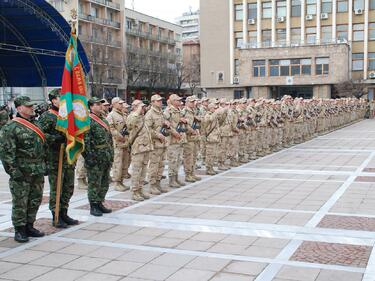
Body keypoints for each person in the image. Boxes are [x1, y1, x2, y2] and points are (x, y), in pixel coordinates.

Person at [0, 96, 46, 242]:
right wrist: (14, 172)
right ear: (19, 108)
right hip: (22, 171)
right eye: (28, 106)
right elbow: (7, 153)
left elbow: (42, 148)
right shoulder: (10, 127)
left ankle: (29, 225)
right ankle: (19, 229)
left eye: (32, 105)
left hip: (37, 169)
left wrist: (44, 165)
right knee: (21, 201)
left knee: (35, 199)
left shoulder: (36, 124)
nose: (32, 108)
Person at [38, 89, 78, 228]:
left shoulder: (68, 115)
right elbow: (40, 134)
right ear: (53, 100)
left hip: (67, 157)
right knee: (57, 188)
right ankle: (56, 215)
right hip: (55, 158)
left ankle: (64, 212)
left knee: (68, 187)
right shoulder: (47, 116)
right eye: (60, 98)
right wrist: (55, 139)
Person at [83, 97, 114, 216]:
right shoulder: (88, 120)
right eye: (97, 104)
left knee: (104, 182)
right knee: (94, 182)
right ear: (91, 107)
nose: (101, 106)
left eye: (101, 104)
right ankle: (93, 205)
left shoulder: (104, 120)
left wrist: (111, 154)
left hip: (105, 156)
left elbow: (109, 140)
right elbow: (86, 141)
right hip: (95, 157)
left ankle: (100, 202)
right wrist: (89, 158)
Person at [127, 100, 153, 201]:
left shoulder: (143, 118)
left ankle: (140, 189)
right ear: (134, 107)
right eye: (141, 107)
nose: (143, 109)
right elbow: (130, 125)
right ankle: (134, 191)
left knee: (143, 171)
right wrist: (137, 111)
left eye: (143, 107)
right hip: (138, 148)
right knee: (136, 171)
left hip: (146, 147)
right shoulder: (132, 116)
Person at [145, 94, 169, 195]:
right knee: (154, 165)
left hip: (163, 143)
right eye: (158, 101)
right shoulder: (150, 114)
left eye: (160, 100)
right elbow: (147, 129)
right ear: (153, 102)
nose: (160, 102)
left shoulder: (161, 113)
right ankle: (152, 185)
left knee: (161, 165)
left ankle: (158, 183)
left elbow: (162, 124)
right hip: (155, 144)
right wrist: (157, 135)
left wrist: (167, 124)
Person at [106, 97, 129, 191]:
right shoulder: (111, 115)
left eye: (122, 103)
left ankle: (121, 181)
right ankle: (116, 182)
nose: (121, 105)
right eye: (119, 103)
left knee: (124, 164)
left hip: (125, 143)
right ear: (114, 104)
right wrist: (120, 137)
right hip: (117, 143)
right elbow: (111, 129)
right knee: (118, 164)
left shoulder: (123, 114)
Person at [165, 94, 186, 188]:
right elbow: (166, 125)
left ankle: (176, 178)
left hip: (179, 140)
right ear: (173, 101)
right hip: (172, 140)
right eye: (178, 100)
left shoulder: (179, 111)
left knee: (178, 160)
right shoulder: (168, 111)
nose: (180, 102)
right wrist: (174, 133)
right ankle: (171, 180)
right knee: (172, 160)